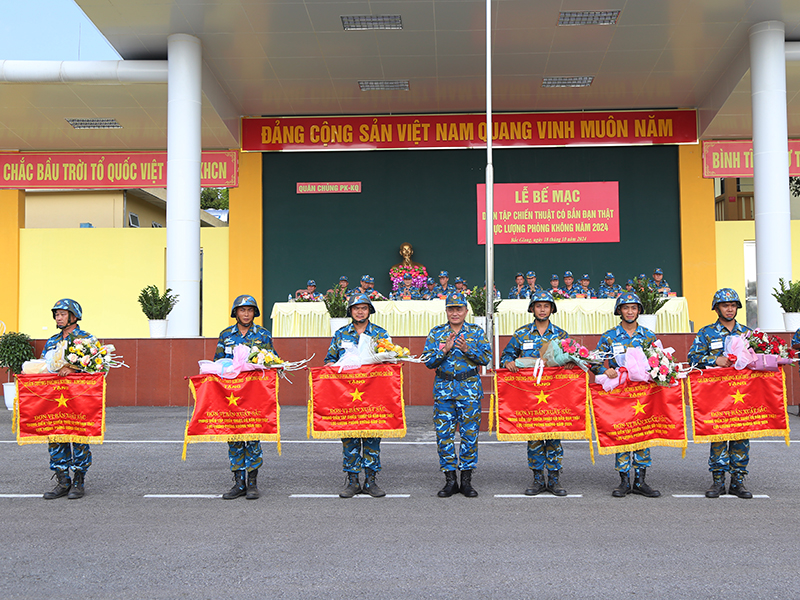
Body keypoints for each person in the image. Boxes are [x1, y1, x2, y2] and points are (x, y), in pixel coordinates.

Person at [500, 291, 570, 496]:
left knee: (554, 434)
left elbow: (569, 357)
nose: (542, 309)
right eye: (538, 306)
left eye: (546, 306)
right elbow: (507, 354)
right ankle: (538, 479)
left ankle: (555, 479)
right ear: (532, 308)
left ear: (551, 309)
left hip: (554, 394)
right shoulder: (521, 334)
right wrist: (508, 361)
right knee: (534, 435)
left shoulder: (561, 335)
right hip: (529, 394)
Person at [422, 293, 492, 498]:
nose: (455, 313)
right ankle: (450, 480)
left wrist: (467, 349)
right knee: (444, 436)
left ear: (466, 311)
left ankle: (467, 481)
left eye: (458, 309)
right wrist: (445, 349)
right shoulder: (437, 333)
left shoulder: (476, 332)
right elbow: (428, 361)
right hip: (444, 390)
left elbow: (486, 358)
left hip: (469, 390)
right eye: (451, 309)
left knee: (469, 436)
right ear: (446, 311)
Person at [687, 288, 753, 499]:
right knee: (718, 435)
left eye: (733, 305)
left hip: (741, 394)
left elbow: (758, 358)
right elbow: (693, 358)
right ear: (717, 308)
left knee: (741, 435)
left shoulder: (747, 333)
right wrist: (714, 360)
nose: (730, 309)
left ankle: (738, 481)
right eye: (725, 305)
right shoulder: (707, 332)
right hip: (715, 395)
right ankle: (717, 481)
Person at [593, 292, 660, 498]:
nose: (630, 312)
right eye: (625, 308)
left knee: (642, 432)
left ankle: (640, 481)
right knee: (621, 432)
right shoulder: (610, 336)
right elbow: (594, 360)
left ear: (639, 310)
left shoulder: (648, 336)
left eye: (633, 308)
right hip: (619, 394)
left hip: (643, 394)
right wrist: (604, 371)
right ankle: (623, 481)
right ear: (619, 311)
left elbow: (660, 360)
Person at [324, 293, 390, 498]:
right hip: (347, 395)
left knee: (371, 435)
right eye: (356, 308)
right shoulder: (341, 334)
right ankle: (352, 481)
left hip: (372, 394)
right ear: (350, 311)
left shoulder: (380, 334)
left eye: (364, 308)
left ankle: (371, 481)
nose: (360, 311)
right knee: (350, 436)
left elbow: (389, 361)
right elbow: (329, 360)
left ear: (369, 310)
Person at [214, 294, 277, 500]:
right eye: (242, 310)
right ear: (236, 313)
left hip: (254, 396)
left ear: (254, 313)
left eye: (250, 310)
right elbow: (217, 364)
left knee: (252, 436)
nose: (246, 314)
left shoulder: (263, 334)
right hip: (231, 396)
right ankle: (238, 483)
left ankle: (252, 483)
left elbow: (271, 361)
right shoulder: (225, 335)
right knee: (234, 436)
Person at [41, 299, 94, 500]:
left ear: (74, 316)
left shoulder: (87, 339)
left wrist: (73, 367)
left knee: (79, 438)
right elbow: (43, 365)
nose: (58, 317)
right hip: (55, 400)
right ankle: (63, 482)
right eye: (56, 314)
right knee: (56, 437)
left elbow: (98, 368)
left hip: (78, 399)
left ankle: (79, 482)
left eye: (62, 314)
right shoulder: (52, 341)